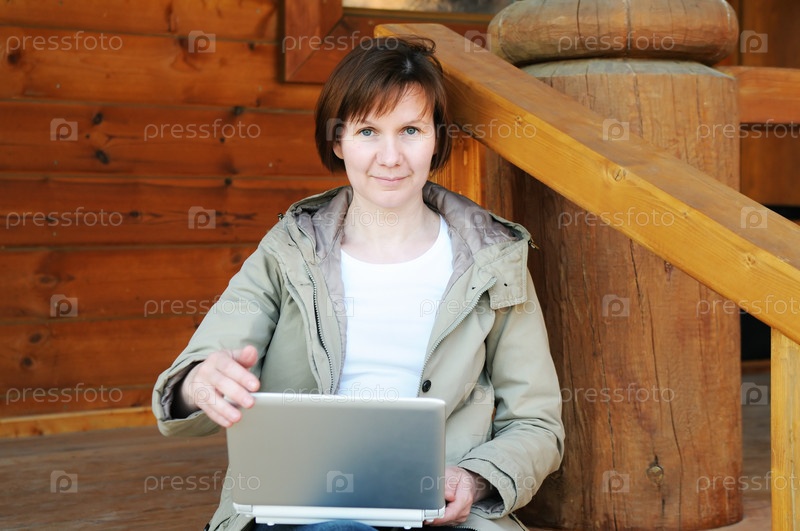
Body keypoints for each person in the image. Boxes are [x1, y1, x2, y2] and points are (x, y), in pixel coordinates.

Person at [152, 36, 564, 531]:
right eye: (368, 131)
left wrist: (474, 478)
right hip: (299, 510)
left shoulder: (494, 260)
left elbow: (536, 423)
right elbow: (193, 382)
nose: (390, 156)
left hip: (441, 518)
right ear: (338, 140)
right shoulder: (288, 252)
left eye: (410, 130)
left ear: (437, 139)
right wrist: (199, 382)